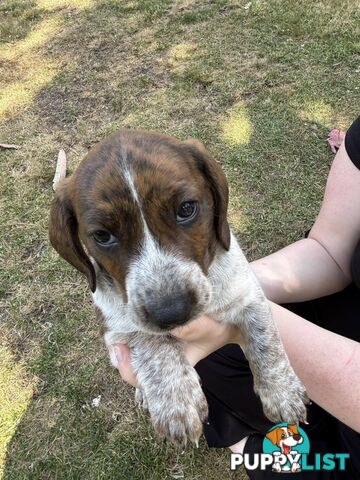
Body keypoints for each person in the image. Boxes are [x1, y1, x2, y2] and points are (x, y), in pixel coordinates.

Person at [114, 117, 360, 479]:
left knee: (303, 466)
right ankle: (243, 430)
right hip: (339, 316)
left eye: (185, 210)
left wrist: (238, 323)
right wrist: (232, 290)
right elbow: (330, 251)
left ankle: (244, 446)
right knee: (195, 348)